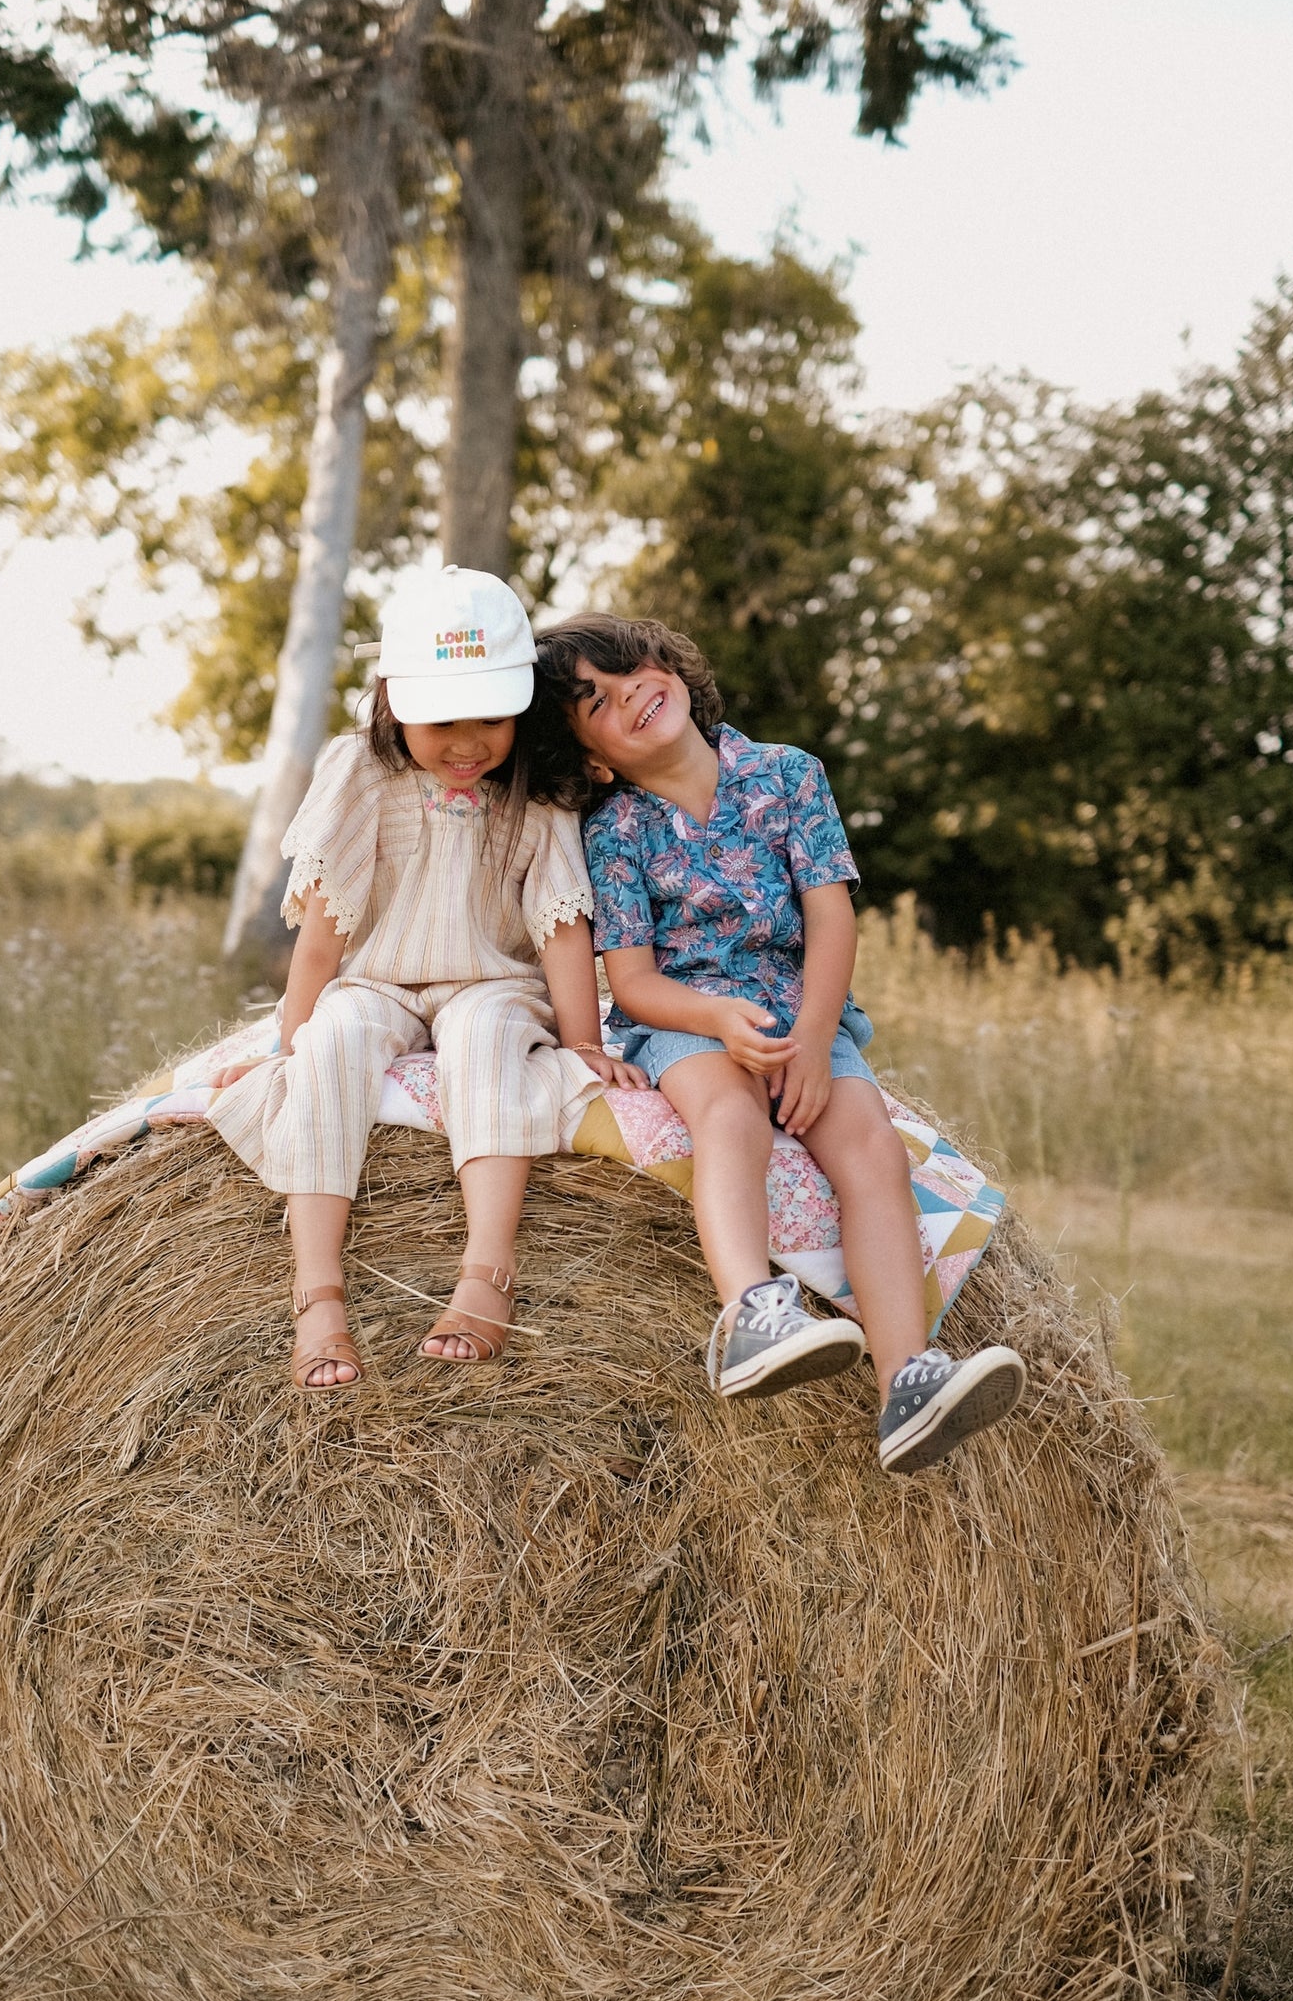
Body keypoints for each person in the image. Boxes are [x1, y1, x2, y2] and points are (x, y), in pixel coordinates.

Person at [532, 613, 1025, 1475]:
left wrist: (811, 1041)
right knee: (728, 1118)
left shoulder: (788, 774)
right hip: (686, 1022)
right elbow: (635, 982)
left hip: (804, 1016)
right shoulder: (615, 828)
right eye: (599, 702)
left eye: (635, 668)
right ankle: (753, 1315)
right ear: (593, 759)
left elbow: (832, 918)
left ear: (672, 668)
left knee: (870, 1149)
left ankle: (906, 1382)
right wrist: (718, 1022)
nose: (633, 691)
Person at [209, 566, 644, 1388]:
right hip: (377, 980)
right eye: (440, 718)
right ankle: (317, 1291)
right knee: (331, 1048)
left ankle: (486, 1270)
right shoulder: (361, 773)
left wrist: (583, 1042)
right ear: (393, 700)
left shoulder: (538, 791)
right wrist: (287, 1043)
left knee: (482, 1041)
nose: (467, 740)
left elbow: (560, 924)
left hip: (491, 980)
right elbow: (325, 930)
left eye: (490, 715)